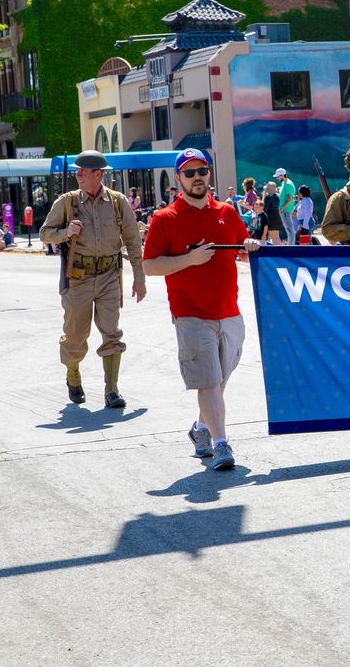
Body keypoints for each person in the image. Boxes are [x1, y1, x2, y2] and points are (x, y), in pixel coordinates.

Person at [141, 148, 259, 471]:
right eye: (189, 173)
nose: (197, 178)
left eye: (202, 171)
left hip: (230, 312)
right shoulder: (164, 219)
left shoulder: (228, 212)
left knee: (219, 379)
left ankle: (201, 428)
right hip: (191, 315)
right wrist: (188, 260)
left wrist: (250, 248)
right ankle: (222, 444)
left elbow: (243, 252)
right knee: (208, 380)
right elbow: (149, 265)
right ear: (178, 179)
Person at [39, 150, 146, 409]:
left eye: (82, 172)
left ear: (98, 175)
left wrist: (139, 278)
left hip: (110, 276)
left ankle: (112, 390)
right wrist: (66, 232)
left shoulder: (119, 203)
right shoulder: (66, 202)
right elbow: (44, 234)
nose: (78, 176)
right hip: (78, 279)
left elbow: (133, 241)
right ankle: (73, 375)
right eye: (76, 172)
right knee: (75, 336)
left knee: (112, 332)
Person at [274, 167, 297, 237]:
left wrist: (282, 208)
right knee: (289, 230)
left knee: (290, 230)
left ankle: (291, 246)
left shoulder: (288, 184)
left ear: (282, 175)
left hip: (285, 211)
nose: (277, 178)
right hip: (285, 211)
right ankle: (290, 245)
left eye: (277, 177)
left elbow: (290, 199)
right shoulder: (285, 183)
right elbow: (285, 194)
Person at [261, 181, 284, 245]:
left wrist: (264, 194)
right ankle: (281, 252)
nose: (266, 189)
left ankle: (279, 253)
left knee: (274, 237)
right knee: (276, 237)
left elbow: (264, 208)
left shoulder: (268, 197)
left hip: (270, 219)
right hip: (277, 217)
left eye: (267, 188)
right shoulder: (277, 196)